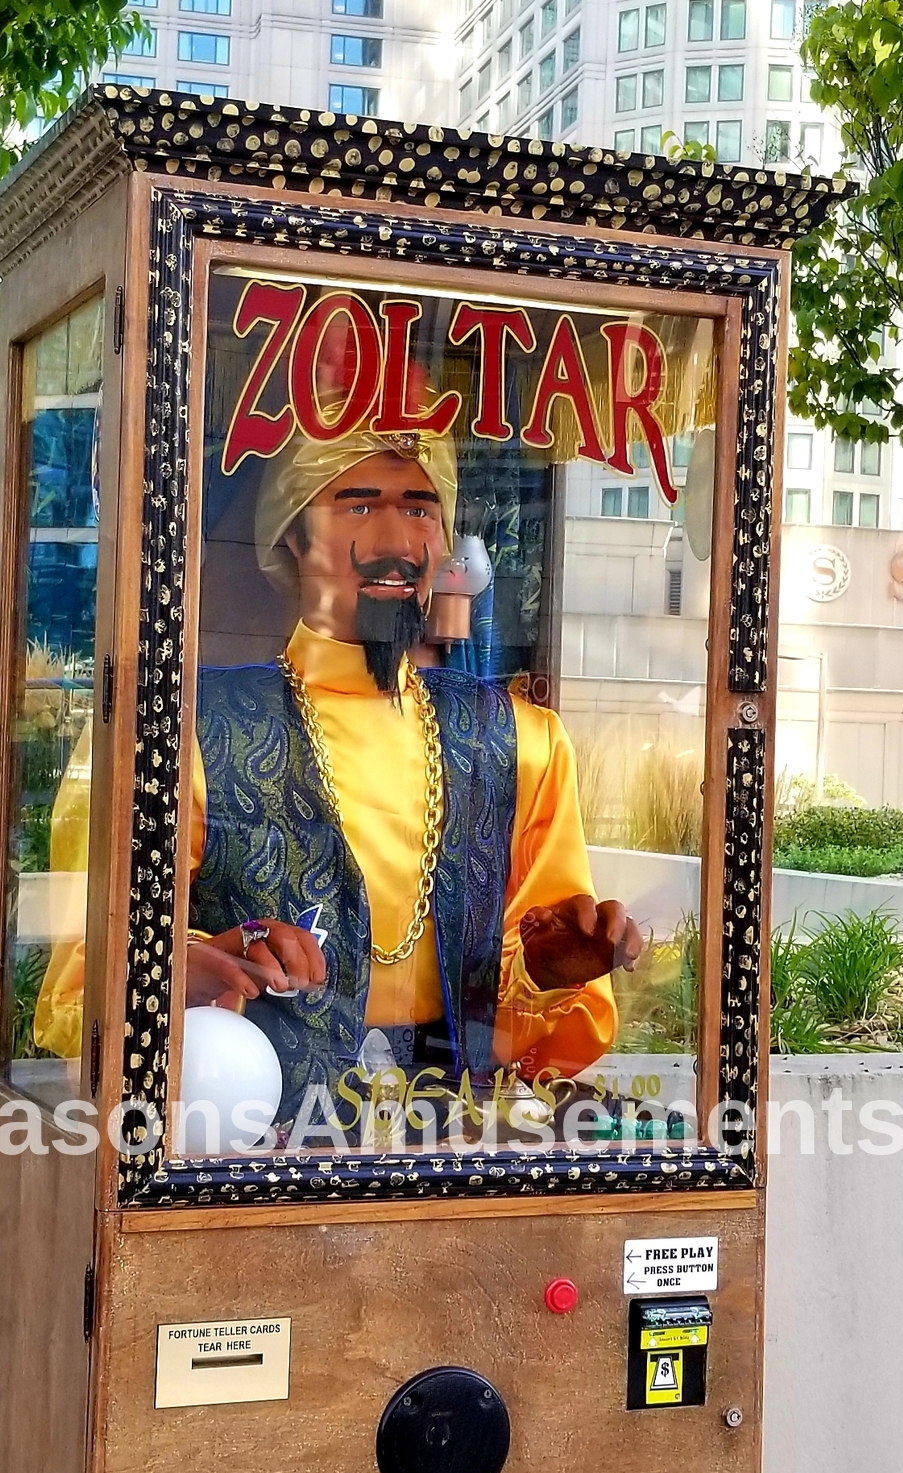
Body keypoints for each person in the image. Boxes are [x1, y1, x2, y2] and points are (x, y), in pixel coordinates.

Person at [34, 407, 643, 1108]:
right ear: (292, 531)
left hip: (459, 1149)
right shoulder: (180, 731)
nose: (396, 542)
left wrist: (548, 970)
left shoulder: (519, 740)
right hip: (250, 1150)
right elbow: (80, 985)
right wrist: (185, 970)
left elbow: (542, 1040)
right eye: (359, 504)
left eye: (420, 510)